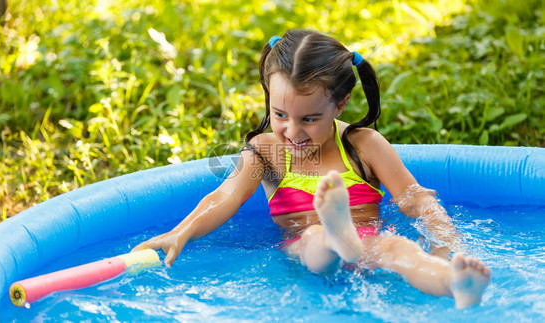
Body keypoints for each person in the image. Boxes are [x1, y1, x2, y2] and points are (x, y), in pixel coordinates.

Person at [133, 29, 491, 309]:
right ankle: (338, 237)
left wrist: (447, 250)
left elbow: (418, 201)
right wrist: (182, 232)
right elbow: (225, 195)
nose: (292, 130)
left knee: (401, 251)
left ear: (340, 104)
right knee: (314, 241)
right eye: (279, 115)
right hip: (306, 248)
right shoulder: (265, 152)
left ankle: (454, 286)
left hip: (369, 246)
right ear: (269, 101)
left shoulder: (363, 145)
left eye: (309, 118)